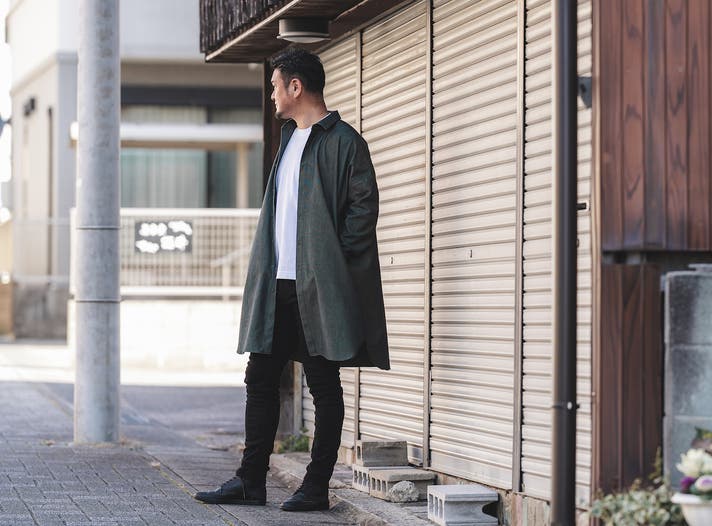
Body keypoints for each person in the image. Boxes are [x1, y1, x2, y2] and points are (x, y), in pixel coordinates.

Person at [194, 47, 389, 512]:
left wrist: (332, 263)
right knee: (260, 377)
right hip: (278, 284)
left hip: (318, 286)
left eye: (275, 86)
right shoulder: (287, 140)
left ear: (295, 87)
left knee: (323, 383)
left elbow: (363, 211)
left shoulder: (345, 142)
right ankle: (250, 481)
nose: (272, 95)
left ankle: (316, 487)